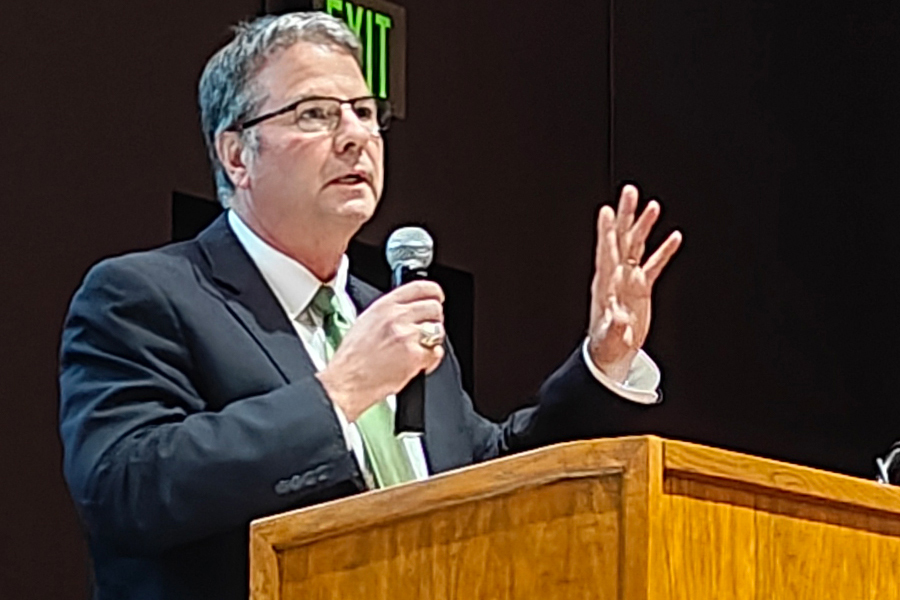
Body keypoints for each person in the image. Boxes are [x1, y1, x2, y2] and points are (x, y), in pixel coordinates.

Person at [58, 12, 682, 600]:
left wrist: (605, 361)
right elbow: (125, 488)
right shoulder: (144, 295)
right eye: (315, 114)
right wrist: (340, 392)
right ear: (237, 155)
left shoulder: (391, 320)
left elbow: (487, 476)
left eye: (363, 112)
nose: (355, 136)